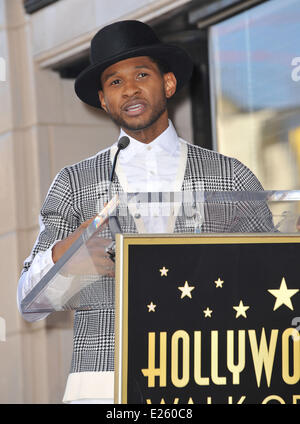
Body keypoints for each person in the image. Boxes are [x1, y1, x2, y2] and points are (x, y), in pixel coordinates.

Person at [17, 20, 274, 404]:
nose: (130, 89)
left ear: (167, 84)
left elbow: (270, 283)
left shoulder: (231, 176)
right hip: (104, 382)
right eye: (115, 82)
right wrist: (69, 255)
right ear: (104, 100)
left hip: (205, 374)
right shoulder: (73, 182)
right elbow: (28, 302)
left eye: (141, 74)